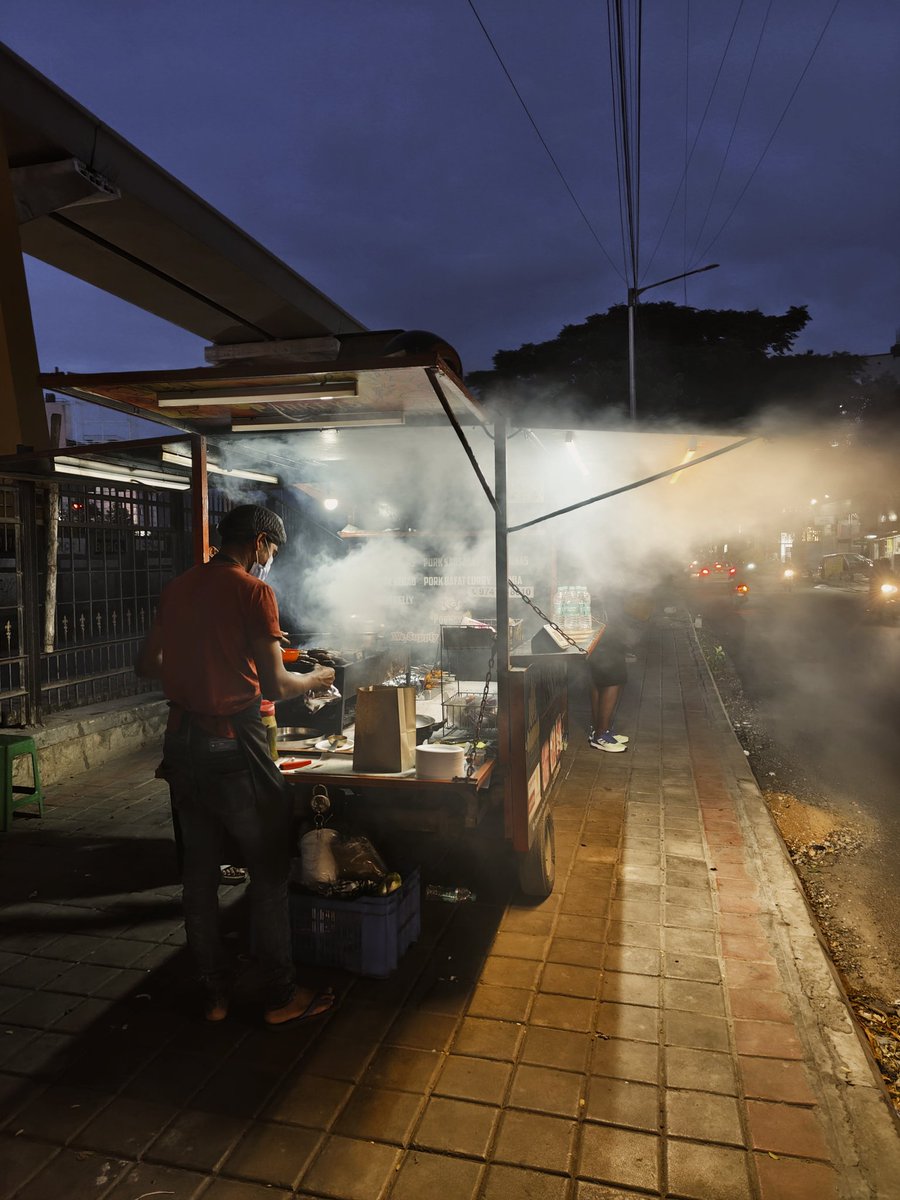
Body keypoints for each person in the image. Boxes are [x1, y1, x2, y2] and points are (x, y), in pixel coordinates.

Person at [136, 504, 336, 1025]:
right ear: (260, 541)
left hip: (181, 742)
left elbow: (146, 664)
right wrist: (317, 679)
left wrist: (199, 662)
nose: (270, 557)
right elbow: (276, 686)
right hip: (233, 744)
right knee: (267, 870)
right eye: (272, 548)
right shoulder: (254, 591)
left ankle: (215, 996)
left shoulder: (178, 587)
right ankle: (279, 997)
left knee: (199, 876)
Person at [584, 623, 629, 753]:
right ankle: (601, 734)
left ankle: (599, 729)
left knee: (599, 675)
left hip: (601, 626)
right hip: (602, 627)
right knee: (613, 675)